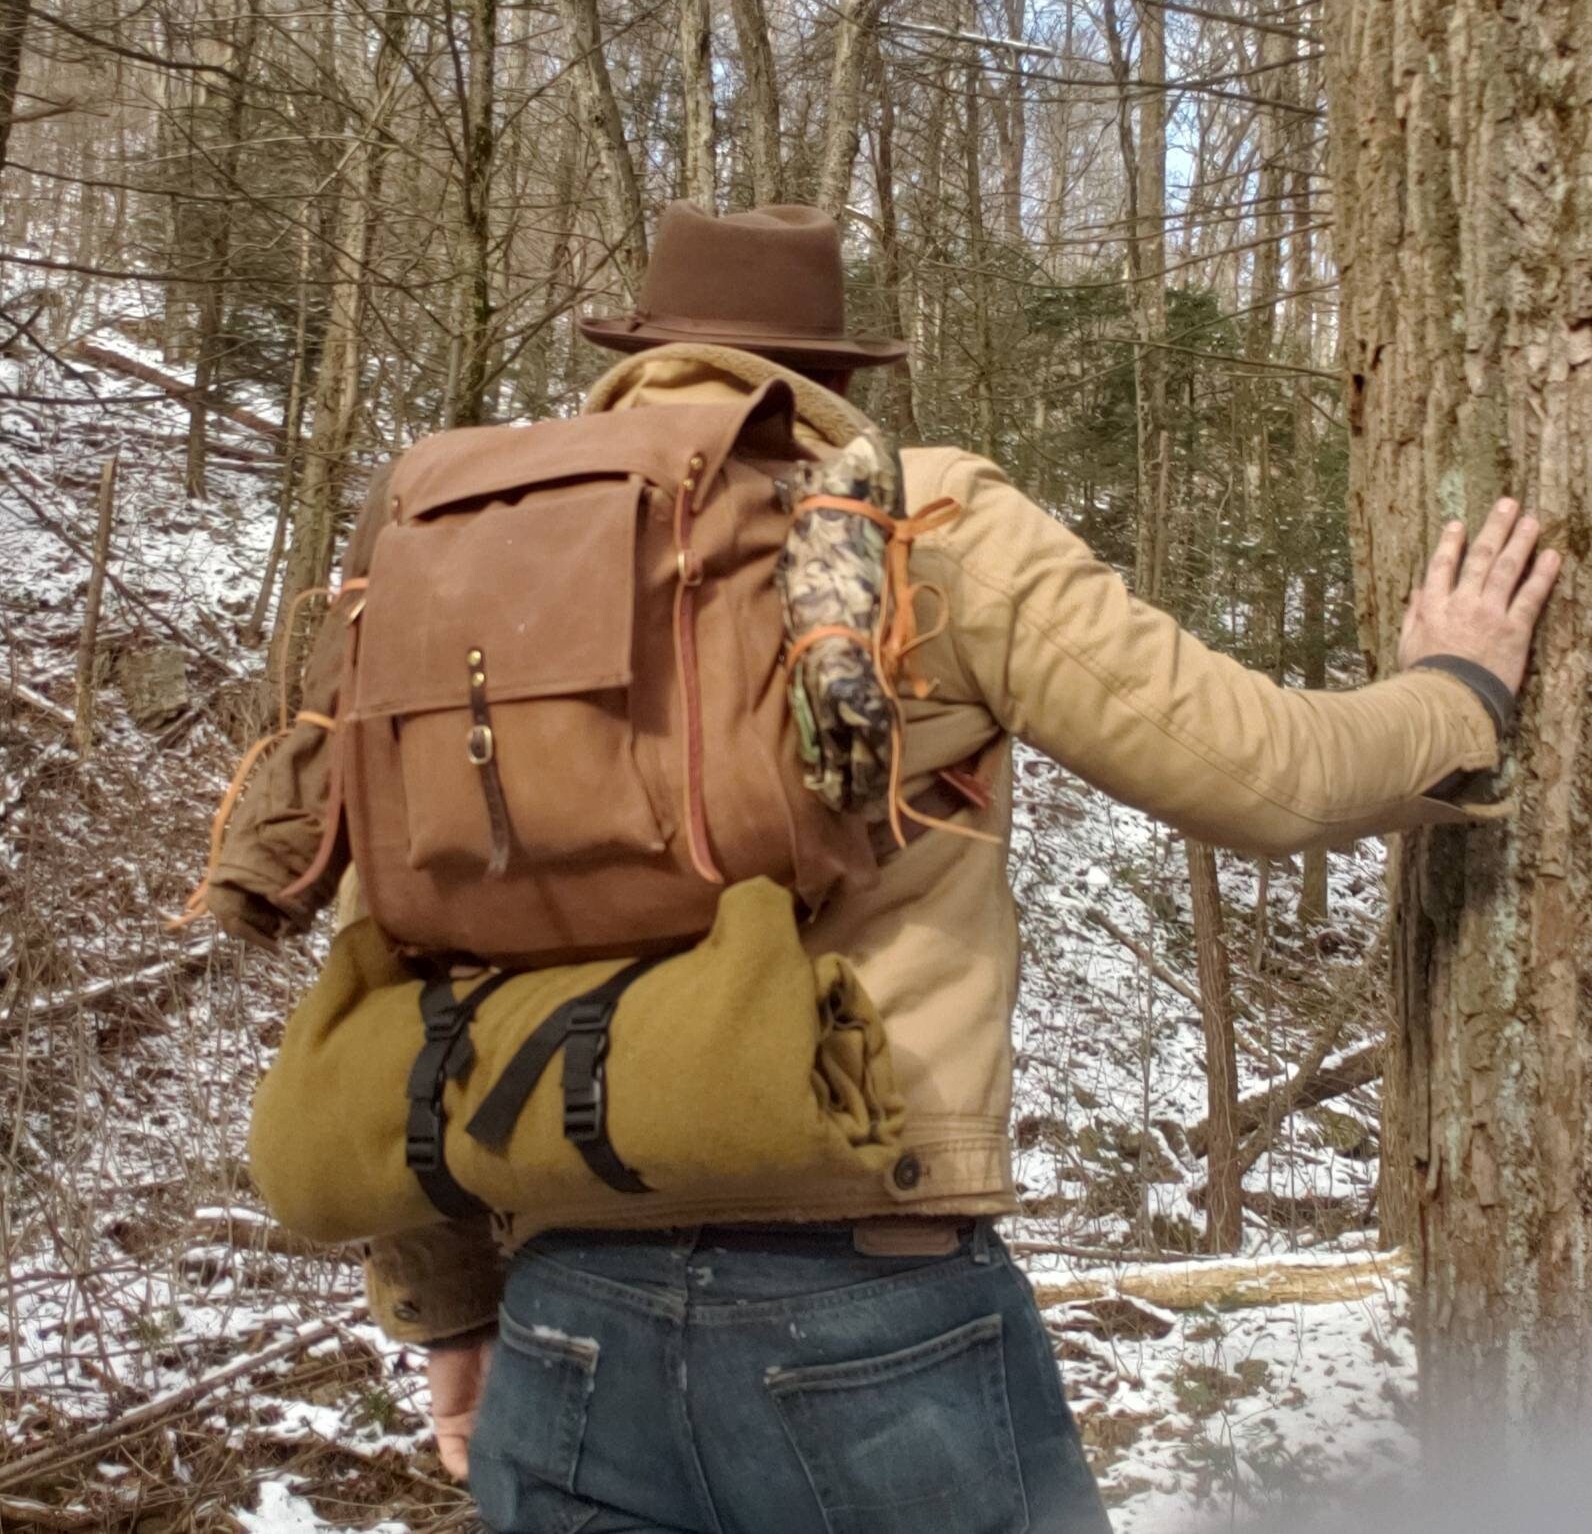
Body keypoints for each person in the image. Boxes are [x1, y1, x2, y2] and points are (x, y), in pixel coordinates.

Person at [207, 202, 1559, 1533]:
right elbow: (1266, 774)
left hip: (567, 1314)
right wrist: (1458, 693)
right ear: (831, 373)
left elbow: (413, 937)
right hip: (867, 1307)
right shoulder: (928, 521)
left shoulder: (472, 567)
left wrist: (452, 1302)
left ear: (636, 351)